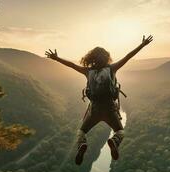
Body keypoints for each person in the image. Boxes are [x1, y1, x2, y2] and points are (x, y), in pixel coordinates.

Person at [46, 35, 153, 165]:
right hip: (110, 109)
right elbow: (128, 56)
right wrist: (142, 45)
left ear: (90, 58)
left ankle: (82, 144)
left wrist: (56, 58)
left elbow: (71, 65)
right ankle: (114, 141)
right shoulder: (112, 69)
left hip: (94, 110)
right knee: (120, 131)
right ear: (106, 57)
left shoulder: (87, 71)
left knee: (81, 131)